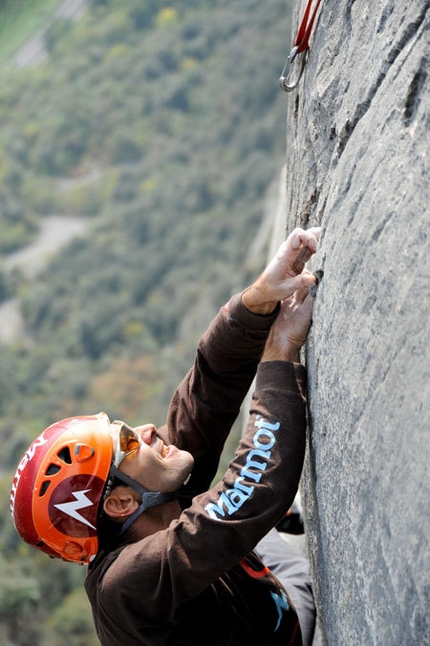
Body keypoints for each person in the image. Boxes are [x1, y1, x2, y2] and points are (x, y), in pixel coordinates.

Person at [10, 226, 321, 646]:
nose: (146, 430)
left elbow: (207, 390)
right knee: (237, 511)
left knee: (228, 516)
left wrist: (258, 301)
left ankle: (268, 528)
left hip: (266, 599)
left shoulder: (151, 494)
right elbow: (254, 492)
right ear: (121, 502)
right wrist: (280, 353)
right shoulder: (124, 591)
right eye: (127, 442)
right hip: (286, 623)